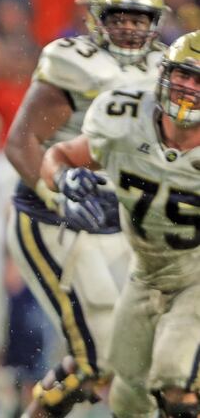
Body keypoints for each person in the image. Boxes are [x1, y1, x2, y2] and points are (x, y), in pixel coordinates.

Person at [3, 0, 168, 415]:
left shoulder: (166, 69)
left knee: (130, 349)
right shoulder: (75, 62)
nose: (131, 28)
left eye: (140, 18)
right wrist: (58, 196)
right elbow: (21, 143)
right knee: (102, 356)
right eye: (120, 17)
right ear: (97, 19)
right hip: (54, 218)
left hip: (121, 221)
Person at [39, 30, 200, 418]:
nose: (189, 88)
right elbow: (58, 155)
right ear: (164, 74)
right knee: (128, 398)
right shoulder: (125, 116)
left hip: (197, 276)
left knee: (176, 387)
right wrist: (65, 180)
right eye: (183, 75)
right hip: (145, 274)